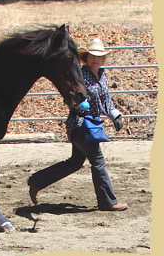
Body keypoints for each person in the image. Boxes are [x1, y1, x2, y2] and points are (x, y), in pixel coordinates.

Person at [27, 38, 127, 211]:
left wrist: (115, 115)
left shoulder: (101, 76)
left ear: (103, 59)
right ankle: (107, 202)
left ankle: (37, 181)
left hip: (92, 125)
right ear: (86, 58)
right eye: (92, 56)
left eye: (99, 57)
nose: (95, 59)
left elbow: (106, 100)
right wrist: (79, 104)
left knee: (75, 162)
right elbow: (70, 96)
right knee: (98, 161)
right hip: (80, 123)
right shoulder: (79, 74)